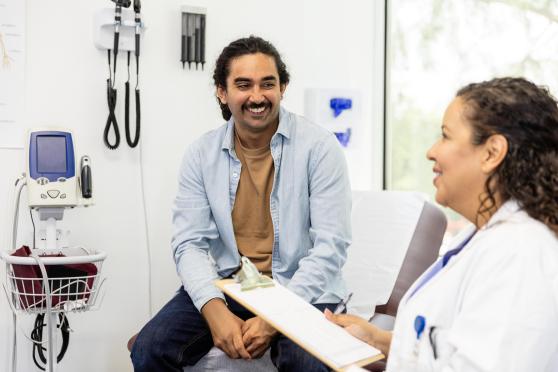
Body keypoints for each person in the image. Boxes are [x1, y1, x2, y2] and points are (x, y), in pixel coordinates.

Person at [130, 36, 352, 371]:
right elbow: (189, 243)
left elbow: (331, 247)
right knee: (150, 349)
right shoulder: (200, 155)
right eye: (243, 85)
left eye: (268, 84)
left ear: (283, 87)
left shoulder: (320, 149)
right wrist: (213, 308)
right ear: (222, 91)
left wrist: (276, 317)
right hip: (234, 284)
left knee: (308, 363)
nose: (257, 96)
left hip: (300, 288)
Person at [326, 77, 558, 372]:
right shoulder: (486, 238)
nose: (431, 151)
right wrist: (378, 341)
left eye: (446, 136)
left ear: (491, 153)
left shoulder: (520, 253)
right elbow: (451, 350)